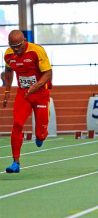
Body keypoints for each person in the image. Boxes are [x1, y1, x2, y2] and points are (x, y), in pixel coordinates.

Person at [2, 30, 52, 173]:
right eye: (13, 46)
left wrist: (35, 86)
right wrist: (7, 92)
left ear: (24, 41)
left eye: (18, 46)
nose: (16, 49)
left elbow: (48, 73)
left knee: (40, 133)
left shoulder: (37, 51)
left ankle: (42, 135)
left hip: (40, 93)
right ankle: (15, 162)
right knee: (17, 124)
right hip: (23, 94)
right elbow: (8, 71)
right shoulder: (8, 54)